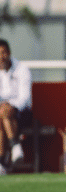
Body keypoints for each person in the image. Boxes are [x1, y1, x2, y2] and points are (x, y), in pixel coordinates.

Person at [0, 39, 32, 175]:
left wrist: (12, 106)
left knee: (4, 112)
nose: (1, 57)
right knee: (2, 114)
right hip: (2, 112)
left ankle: (3, 162)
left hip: (22, 112)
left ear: (9, 53)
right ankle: (14, 148)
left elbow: (25, 97)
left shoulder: (22, 69)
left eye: (3, 53)